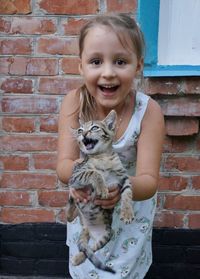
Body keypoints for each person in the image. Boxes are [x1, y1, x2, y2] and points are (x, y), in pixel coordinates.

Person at [56, 12, 165, 279]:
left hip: (130, 220)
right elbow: (63, 165)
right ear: (81, 66)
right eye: (95, 61)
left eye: (120, 61)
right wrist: (83, 179)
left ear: (138, 66)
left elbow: (149, 181)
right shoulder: (74, 103)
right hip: (89, 213)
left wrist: (120, 186)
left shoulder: (148, 112)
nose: (108, 72)